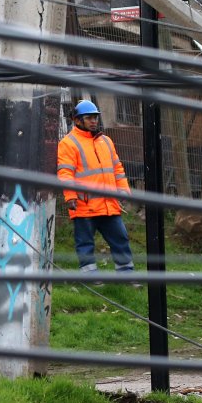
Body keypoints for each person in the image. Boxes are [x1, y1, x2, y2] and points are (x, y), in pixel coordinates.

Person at [57, 100, 134, 279]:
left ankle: (126, 276)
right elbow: (65, 172)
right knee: (85, 244)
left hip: (109, 204)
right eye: (89, 118)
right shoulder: (68, 143)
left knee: (121, 239)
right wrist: (70, 196)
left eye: (95, 117)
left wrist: (124, 191)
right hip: (84, 205)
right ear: (77, 120)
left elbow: (117, 169)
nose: (93, 121)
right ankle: (90, 278)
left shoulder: (106, 141)